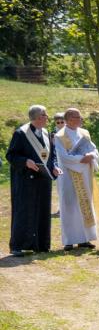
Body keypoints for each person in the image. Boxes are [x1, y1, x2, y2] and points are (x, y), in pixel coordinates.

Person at [7, 105, 59, 256]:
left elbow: (51, 155)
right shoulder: (20, 134)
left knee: (43, 210)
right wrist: (25, 162)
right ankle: (17, 245)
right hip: (25, 180)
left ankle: (41, 244)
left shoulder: (46, 132)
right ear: (36, 118)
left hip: (43, 179)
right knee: (24, 211)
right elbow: (11, 156)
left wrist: (55, 166)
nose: (47, 118)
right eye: (44, 115)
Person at [54, 108, 99, 250]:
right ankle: (69, 240)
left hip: (85, 173)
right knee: (69, 205)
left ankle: (84, 238)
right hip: (69, 175)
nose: (80, 119)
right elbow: (63, 157)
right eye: (77, 117)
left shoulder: (84, 133)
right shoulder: (60, 136)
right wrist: (82, 158)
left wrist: (92, 156)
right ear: (69, 119)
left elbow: (94, 149)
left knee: (84, 204)